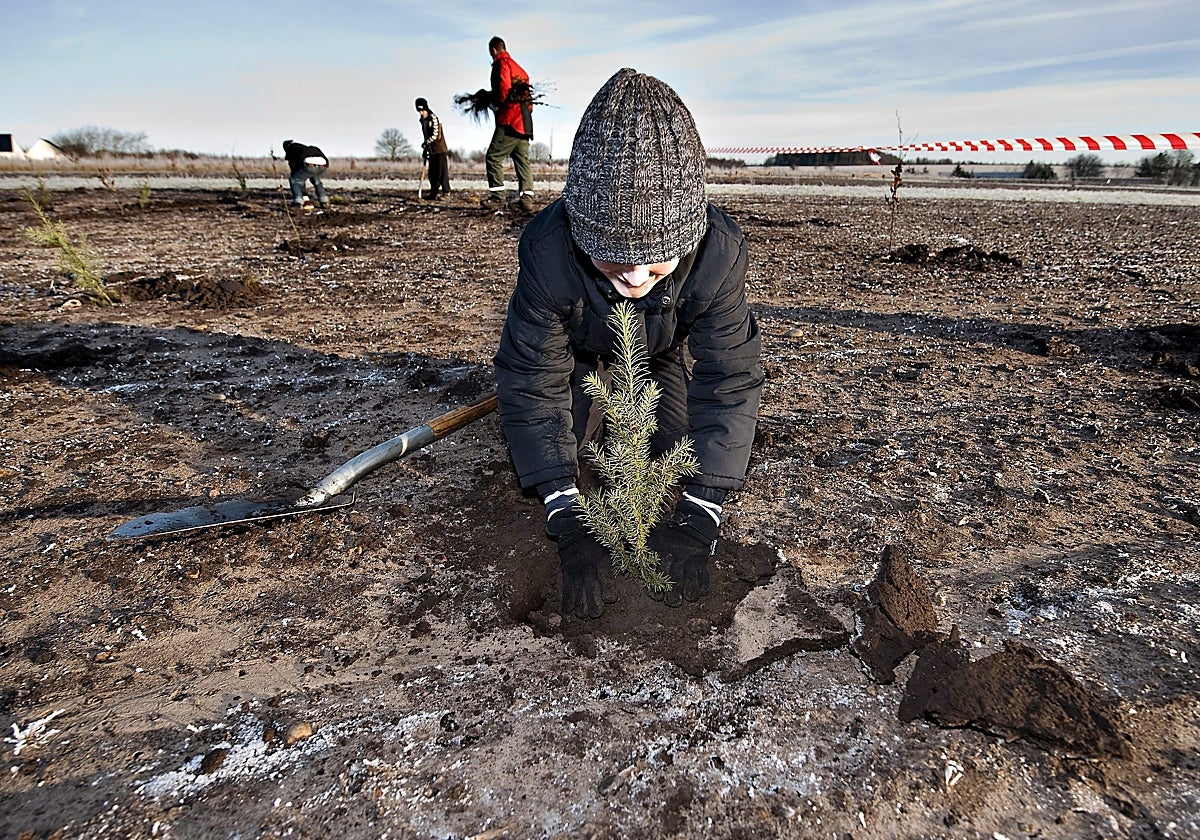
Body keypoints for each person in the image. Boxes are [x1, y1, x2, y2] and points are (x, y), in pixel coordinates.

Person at [493, 69, 763, 620]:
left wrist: (702, 511)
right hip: (579, 349)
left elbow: (729, 379)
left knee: (675, 444)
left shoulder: (718, 257)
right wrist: (564, 509)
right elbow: (531, 380)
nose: (637, 277)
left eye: (657, 258)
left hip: (658, 348)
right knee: (565, 414)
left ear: (688, 235)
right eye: (613, 256)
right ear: (580, 229)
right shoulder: (548, 255)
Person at [480, 36, 534, 214]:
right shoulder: (521, 70)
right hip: (525, 123)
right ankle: (526, 201)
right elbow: (529, 100)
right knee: (522, 162)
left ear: (493, 50)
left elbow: (503, 88)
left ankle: (497, 198)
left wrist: (496, 104)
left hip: (510, 121)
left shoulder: (501, 64)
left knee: (493, 157)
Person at [415, 97, 451, 199]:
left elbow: (436, 136)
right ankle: (434, 192)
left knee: (442, 172)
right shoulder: (423, 121)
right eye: (419, 111)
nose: (421, 113)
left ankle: (446, 192)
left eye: (422, 110)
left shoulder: (433, 118)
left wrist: (426, 143)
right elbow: (426, 136)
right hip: (431, 150)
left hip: (440, 150)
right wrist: (426, 149)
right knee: (432, 173)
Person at [281, 140, 330, 210]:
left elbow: (294, 170)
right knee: (316, 181)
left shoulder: (292, 149)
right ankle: (324, 201)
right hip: (323, 165)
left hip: (308, 164)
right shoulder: (306, 148)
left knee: (294, 180)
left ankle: (298, 202)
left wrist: (304, 194)